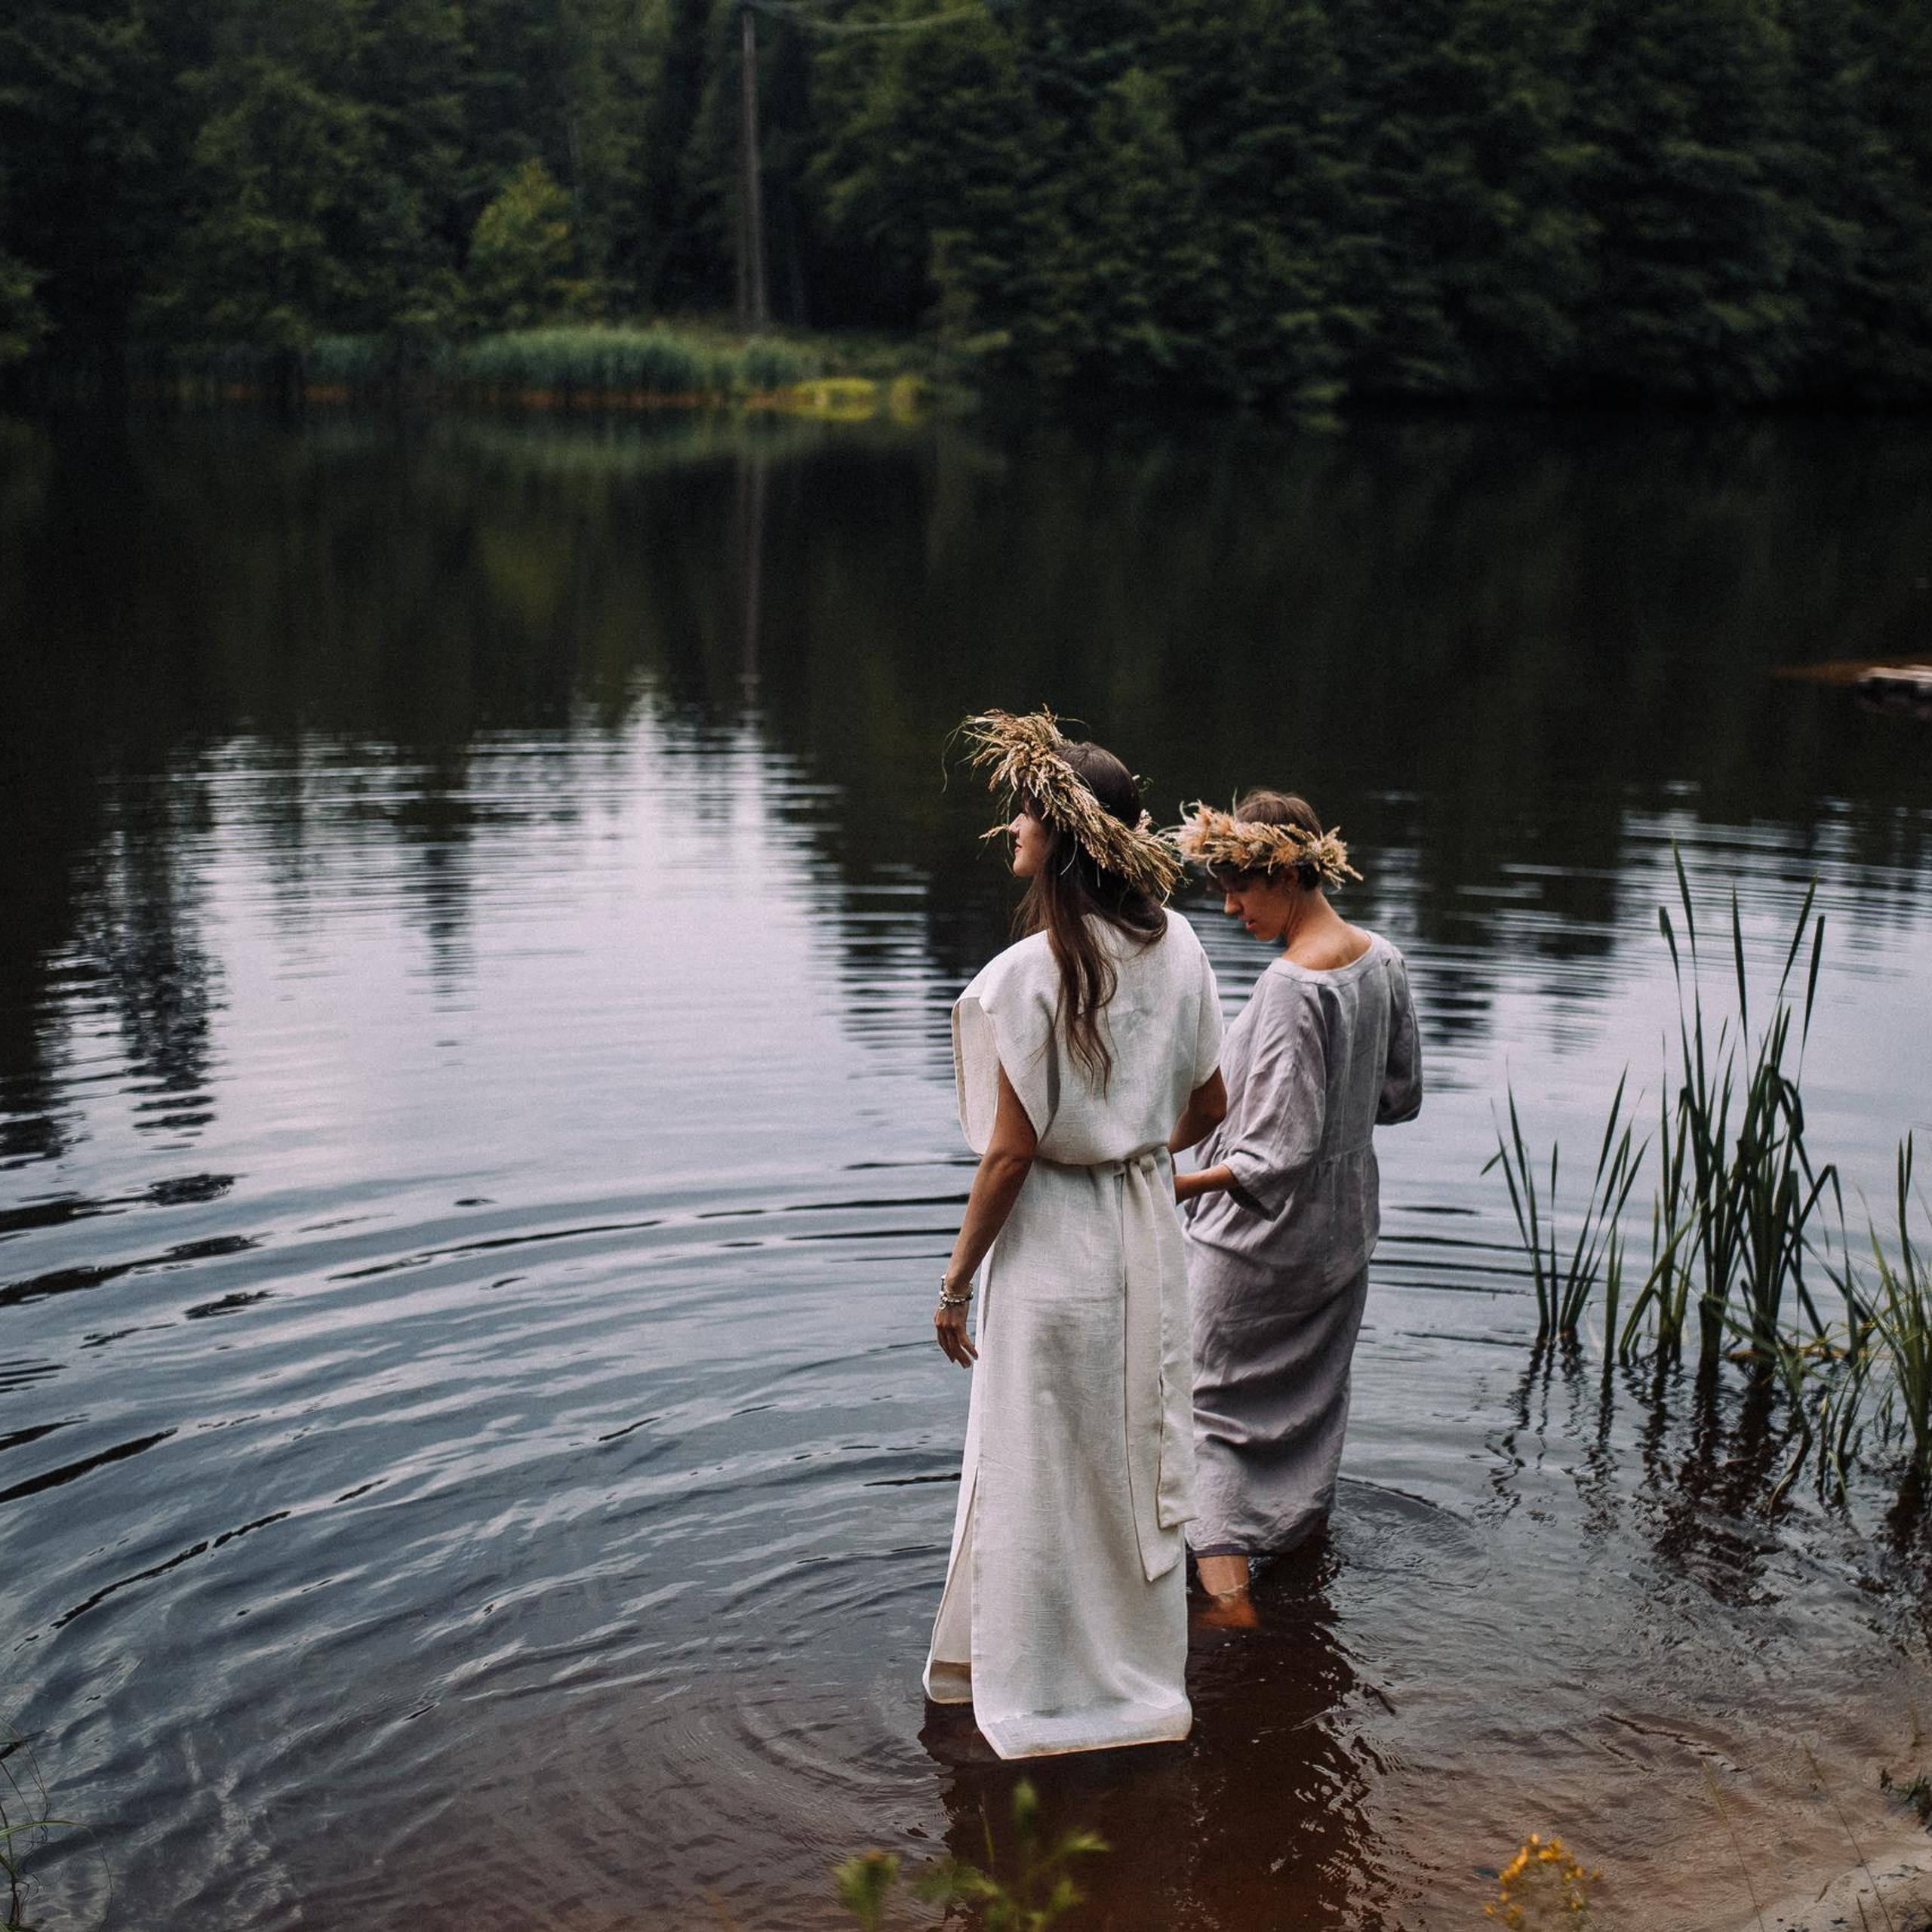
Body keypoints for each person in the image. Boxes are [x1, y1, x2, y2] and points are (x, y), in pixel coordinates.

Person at [924, 709, 1228, 1758]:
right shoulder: (1180, 945)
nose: (1011, 826)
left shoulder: (1030, 975)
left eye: (1026, 813)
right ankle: (1138, 1684)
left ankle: (1037, 1692)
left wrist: (957, 1283)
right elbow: (1212, 1101)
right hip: (1146, 1241)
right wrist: (1139, 1153)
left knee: (1037, 1473)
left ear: (1061, 837)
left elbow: (1009, 1156)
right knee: (1127, 1461)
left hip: (1054, 1253)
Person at [1171, 794, 1423, 1626]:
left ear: (1282, 871)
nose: (1229, 907)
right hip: (1342, 1234)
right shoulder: (1381, 958)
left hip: (1259, 1247)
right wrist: (1334, 1115)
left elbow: (1270, 1159)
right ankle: (1297, 1574)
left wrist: (1167, 1183)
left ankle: (1231, 1610)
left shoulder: (1288, 986)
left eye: (1237, 888)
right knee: (1310, 1407)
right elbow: (1400, 1096)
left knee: (1208, 1415)